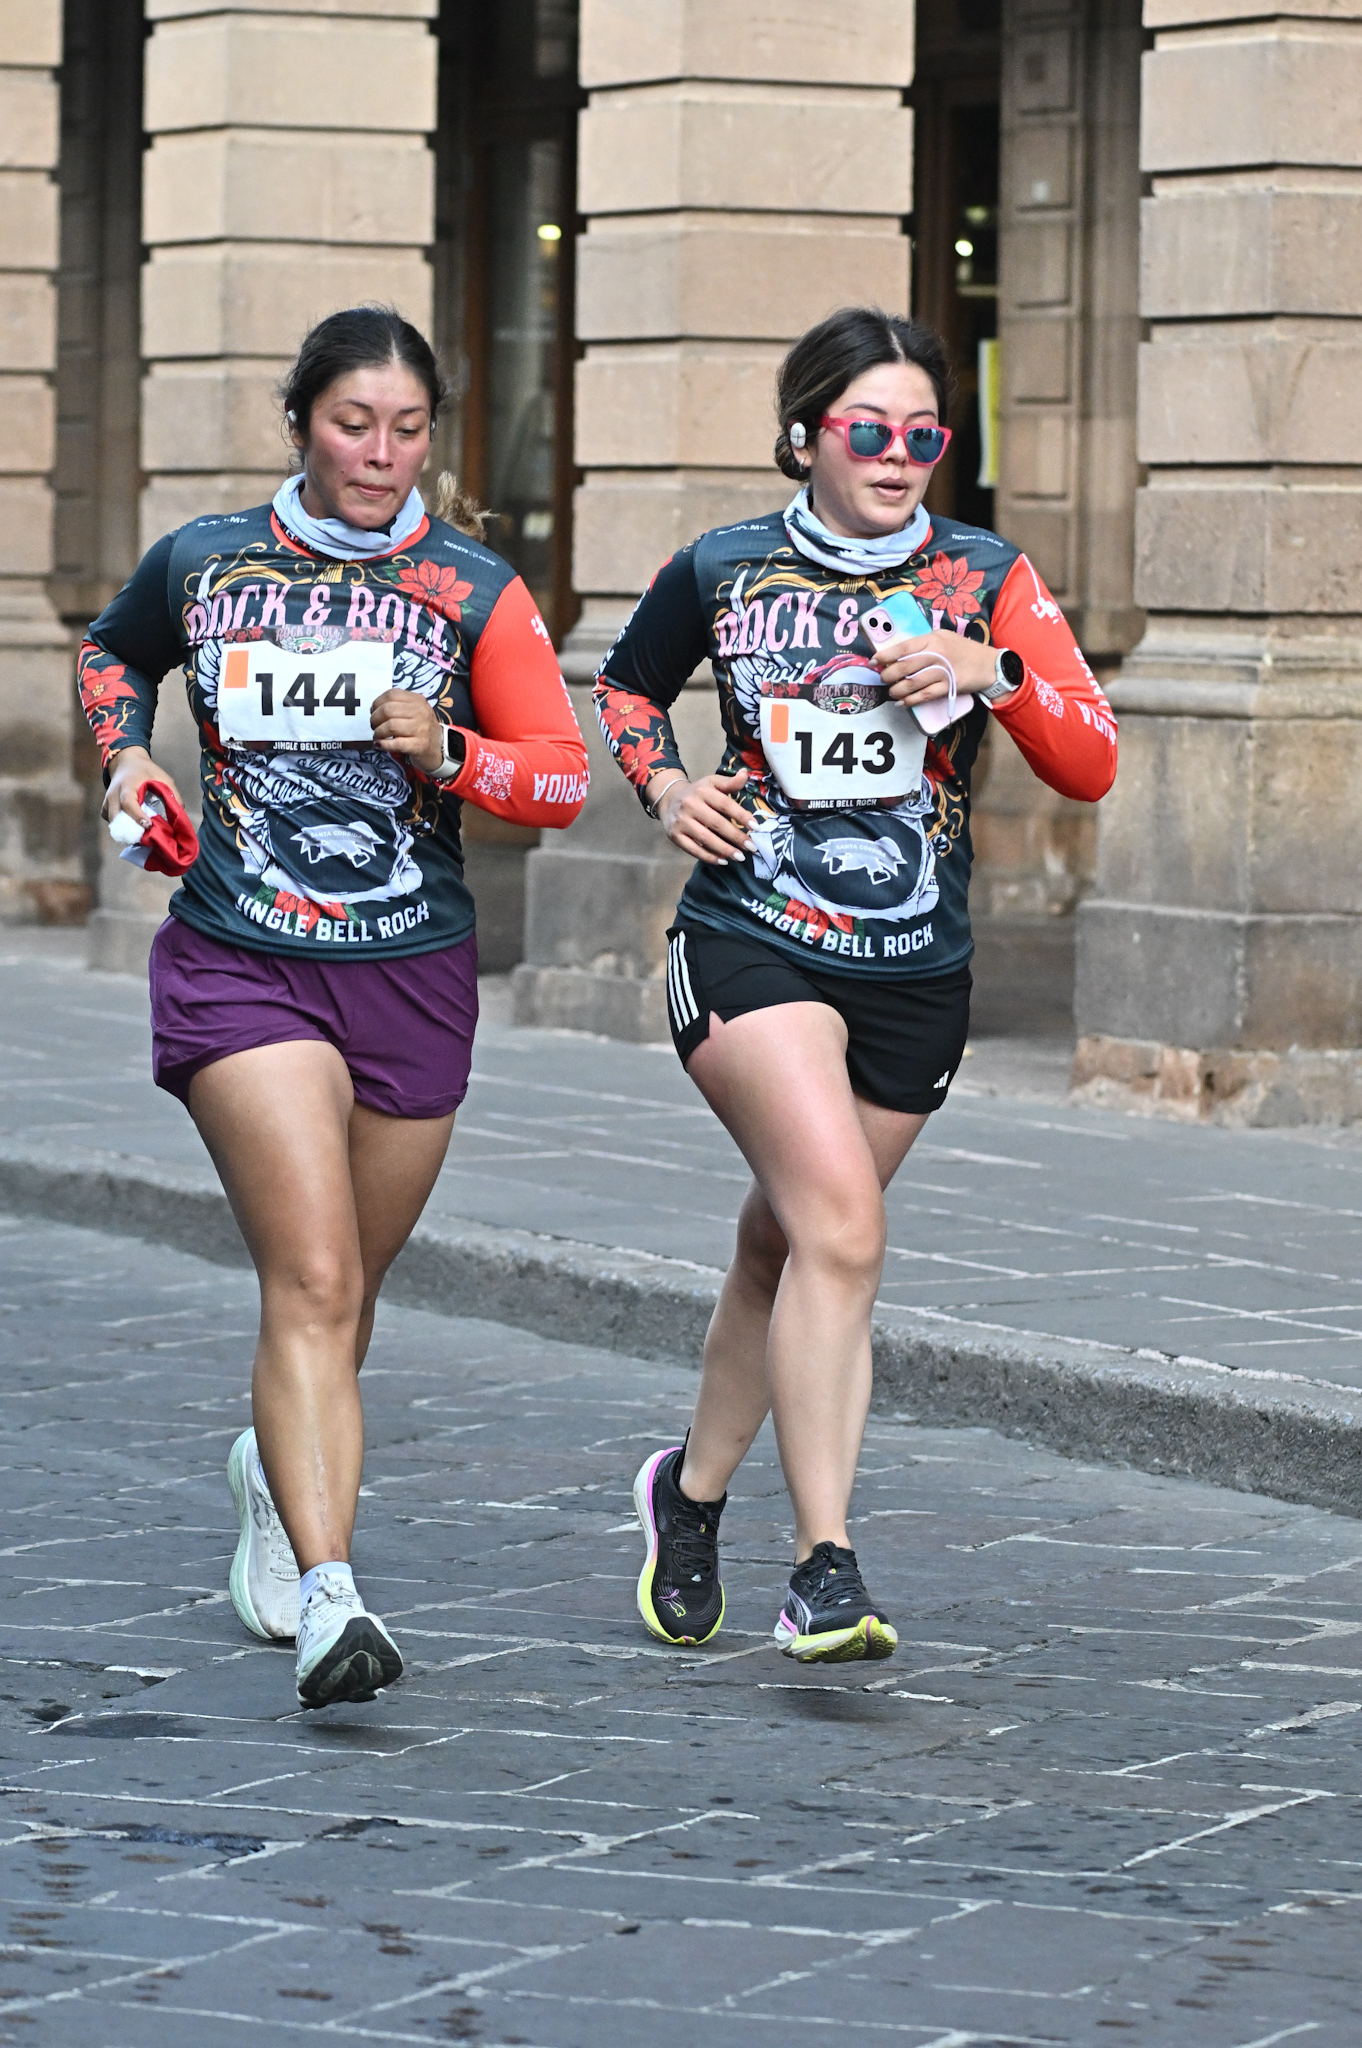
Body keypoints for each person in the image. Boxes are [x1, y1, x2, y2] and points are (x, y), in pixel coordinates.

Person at [79, 306, 588, 1708]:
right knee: (309, 1279)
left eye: (407, 429)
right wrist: (127, 762)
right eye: (353, 424)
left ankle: (273, 1471)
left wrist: (458, 750)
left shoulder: (472, 589)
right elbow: (111, 655)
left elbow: (560, 777)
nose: (379, 453)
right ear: (302, 423)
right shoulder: (207, 560)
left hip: (412, 974)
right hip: (243, 957)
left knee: (346, 1291)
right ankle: (331, 1597)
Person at [596, 306, 1117, 1664]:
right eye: (867, 430)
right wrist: (668, 790)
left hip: (915, 969)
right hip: (751, 936)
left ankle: (687, 1495)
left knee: (787, 1242)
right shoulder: (724, 565)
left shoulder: (985, 574)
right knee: (841, 1228)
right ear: (804, 437)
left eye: (922, 437)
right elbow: (629, 688)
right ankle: (822, 1566)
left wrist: (994, 671)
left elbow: (1092, 759)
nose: (896, 458)